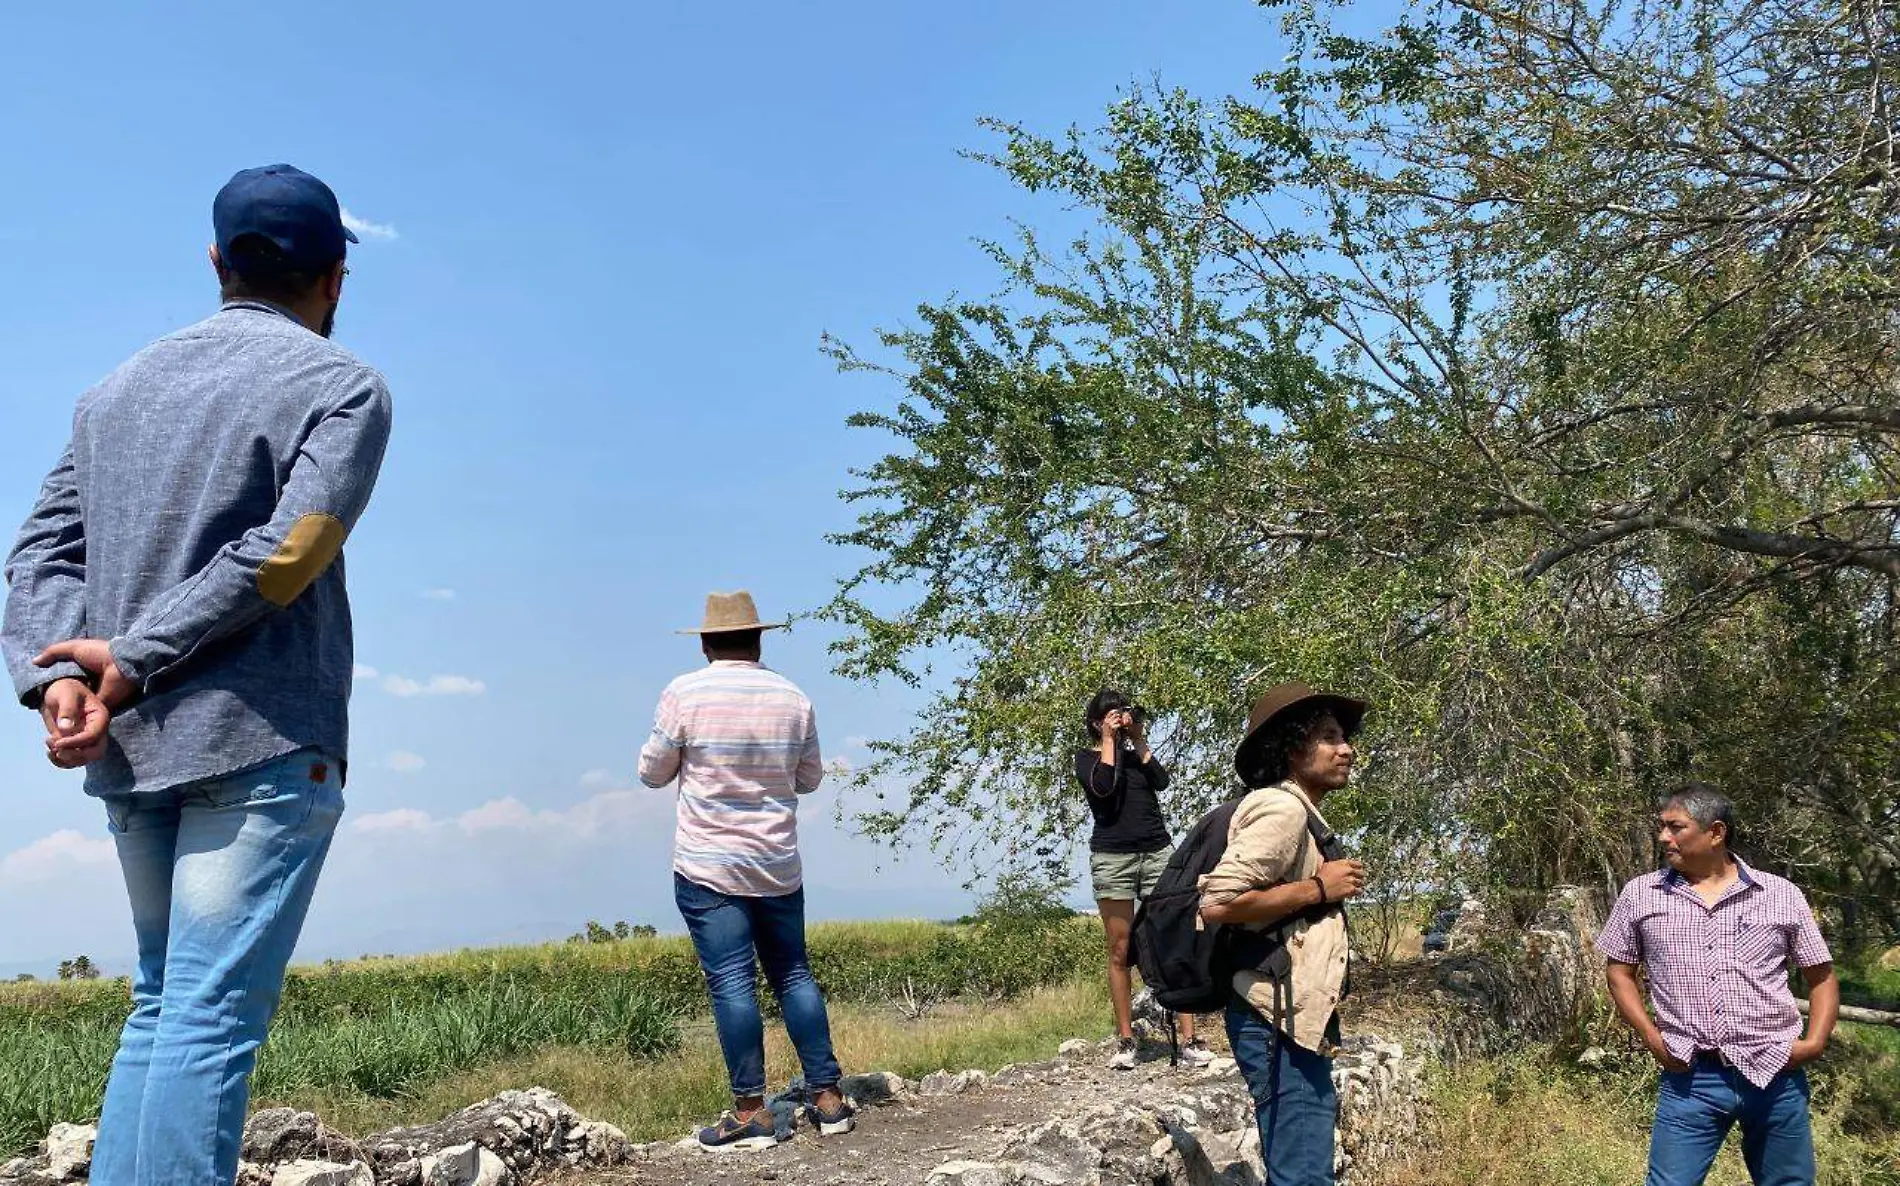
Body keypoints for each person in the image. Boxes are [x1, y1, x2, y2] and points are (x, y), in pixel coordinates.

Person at [1, 164, 391, 1186]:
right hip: (260, 735)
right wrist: (126, 663)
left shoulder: (111, 393)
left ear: (216, 263)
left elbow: (39, 554)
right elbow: (293, 550)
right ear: (335, 278)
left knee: (165, 999)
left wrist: (60, 682)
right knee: (207, 1016)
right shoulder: (340, 384)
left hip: (135, 749)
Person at [638, 591, 855, 1151]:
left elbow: (652, 771)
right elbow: (809, 779)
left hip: (709, 865)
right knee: (794, 975)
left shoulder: (684, 693)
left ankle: (752, 1111)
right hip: (778, 863)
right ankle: (828, 1099)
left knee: (733, 983)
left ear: (707, 643)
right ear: (759, 640)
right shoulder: (793, 697)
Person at [1597, 784, 1840, 1186]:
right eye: (1662, 827)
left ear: (1715, 832)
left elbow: (1822, 976)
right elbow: (1619, 971)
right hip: (1691, 1077)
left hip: (1775, 1073)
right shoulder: (1641, 894)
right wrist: (1651, 1037)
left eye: (1675, 827)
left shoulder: (1779, 894)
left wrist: (1815, 1042)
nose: (1663, 838)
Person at [1199, 682, 1369, 1186]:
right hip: (1274, 1019)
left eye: (1344, 736)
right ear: (1293, 748)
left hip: (1287, 1016)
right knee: (1303, 1175)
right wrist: (1318, 888)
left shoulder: (1300, 810)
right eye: (1330, 737)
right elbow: (1218, 902)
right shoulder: (1282, 809)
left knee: (1299, 1166)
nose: (1346, 748)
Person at [1075, 689, 1213, 1069]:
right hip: (1113, 857)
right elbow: (1103, 788)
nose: (1120, 718)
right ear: (1095, 722)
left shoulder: (1138, 758)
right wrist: (1107, 740)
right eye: (1112, 714)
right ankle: (1126, 1040)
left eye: (1124, 712)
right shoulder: (1086, 760)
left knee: (1174, 939)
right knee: (1120, 949)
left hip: (1156, 853)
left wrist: (1137, 737)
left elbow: (1162, 780)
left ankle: (1188, 1038)